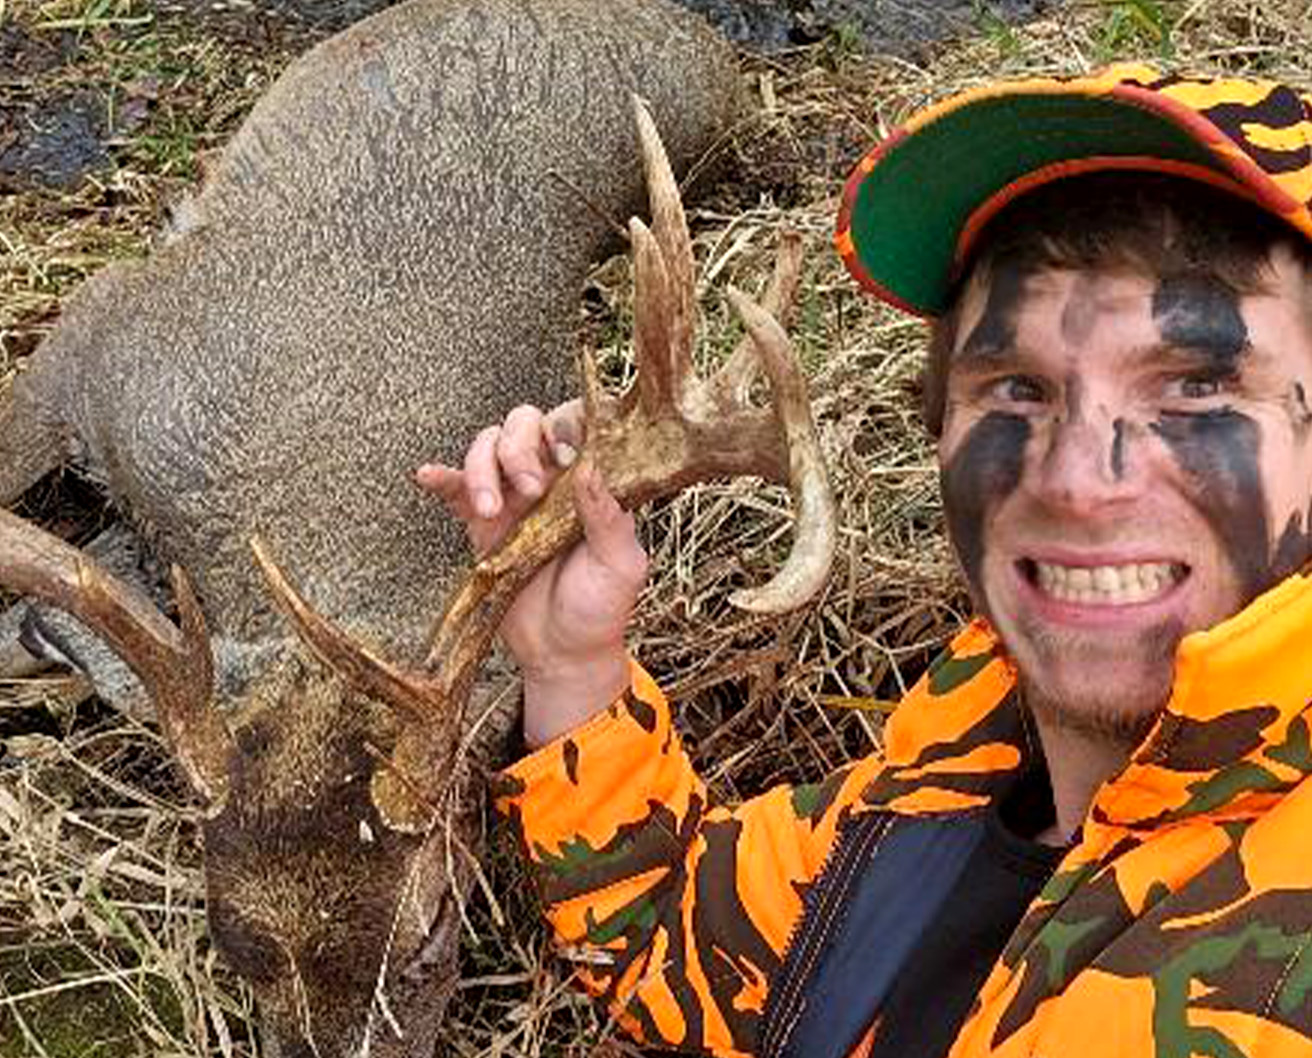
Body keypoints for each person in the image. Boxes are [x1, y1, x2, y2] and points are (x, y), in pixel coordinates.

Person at [418, 62, 1312, 1057]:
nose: (1077, 478)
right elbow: (666, 937)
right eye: (1016, 388)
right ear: (939, 431)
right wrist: (572, 663)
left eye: (1195, 387)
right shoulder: (940, 785)